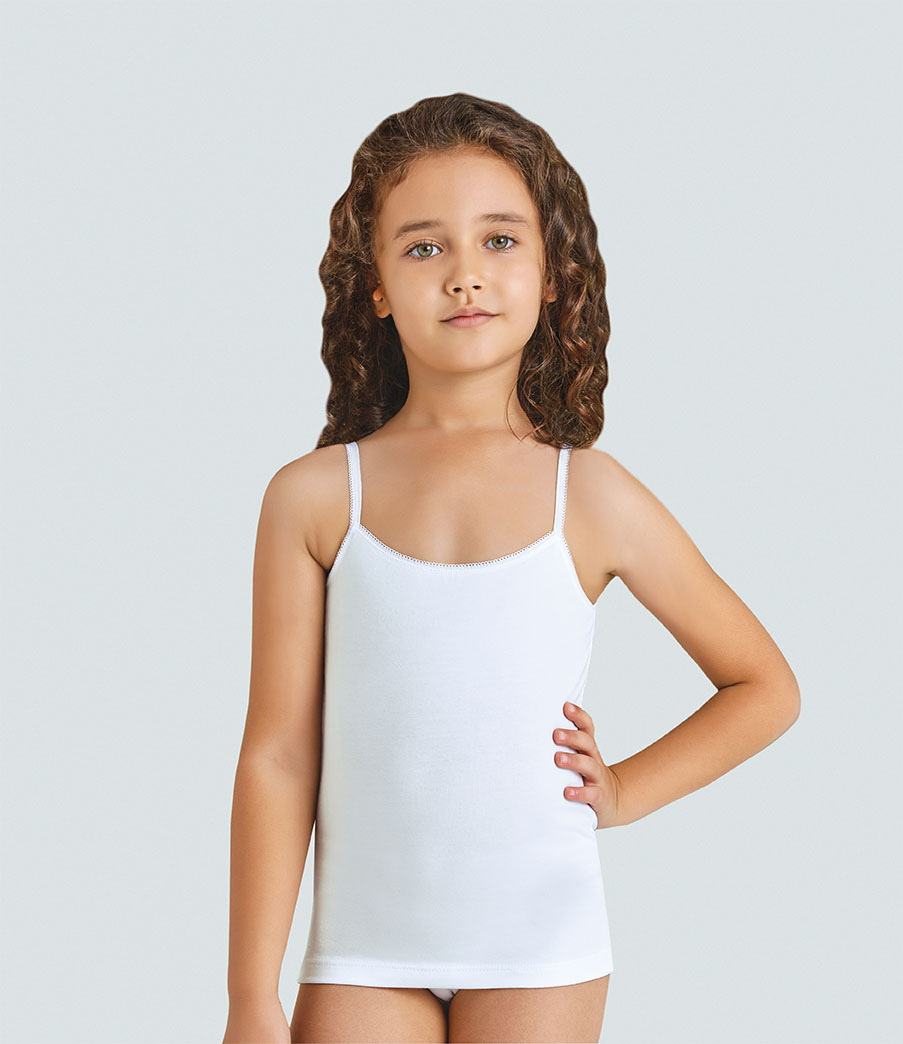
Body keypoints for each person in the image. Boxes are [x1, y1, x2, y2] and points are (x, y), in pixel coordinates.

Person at [222, 92, 800, 1044]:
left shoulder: (593, 495)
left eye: (498, 240)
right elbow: (278, 756)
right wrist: (251, 995)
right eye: (423, 247)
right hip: (364, 952)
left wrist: (624, 791)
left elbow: (764, 687)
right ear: (374, 284)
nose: (464, 275)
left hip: (540, 951)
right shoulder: (314, 498)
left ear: (552, 274)